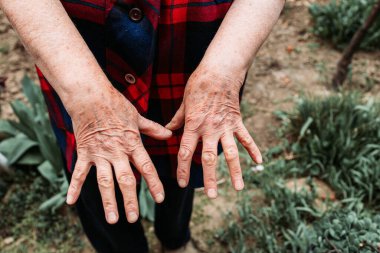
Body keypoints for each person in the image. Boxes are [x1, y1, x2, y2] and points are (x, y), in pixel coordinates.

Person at [0, 0, 284, 252]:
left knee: (183, 163)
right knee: (100, 180)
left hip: (194, 47)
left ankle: (175, 242)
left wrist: (225, 69)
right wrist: (85, 93)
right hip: (75, 51)